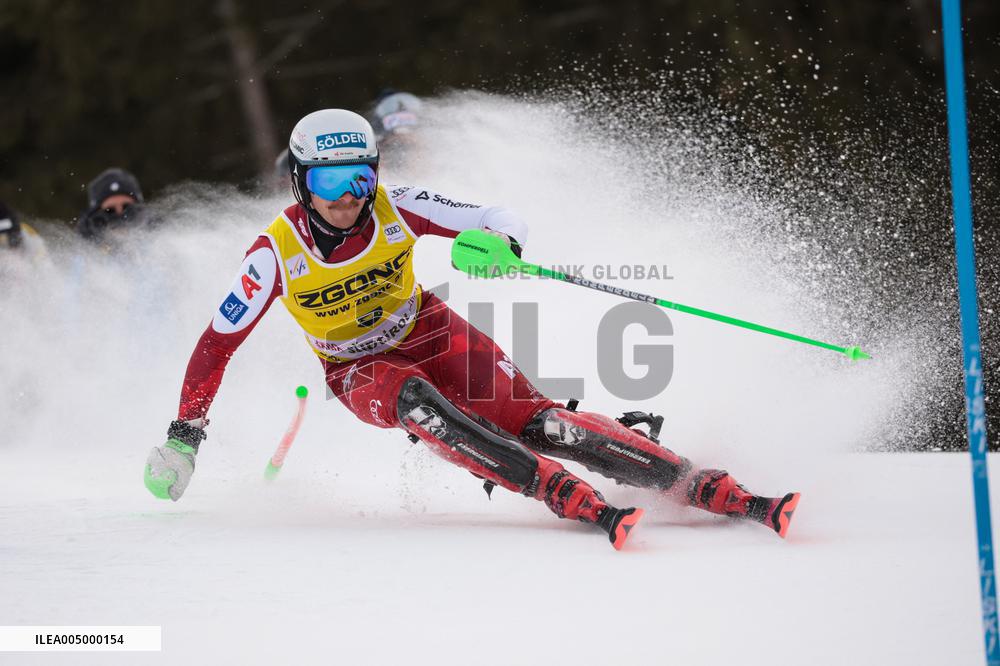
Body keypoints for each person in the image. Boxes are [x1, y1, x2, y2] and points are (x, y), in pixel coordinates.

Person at [144, 109, 800, 549]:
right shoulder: (274, 253)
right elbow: (215, 345)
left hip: (428, 327)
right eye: (332, 180)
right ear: (300, 181)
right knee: (422, 407)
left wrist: (500, 243)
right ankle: (557, 491)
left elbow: (496, 214)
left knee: (543, 422)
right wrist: (184, 434)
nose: (350, 196)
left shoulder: (394, 206)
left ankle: (698, 483)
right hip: (356, 369)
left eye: (361, 176)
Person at [76, 168, 149, 241]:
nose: (120, 217)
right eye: (110, 211)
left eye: (128, 208)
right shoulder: (82, 248)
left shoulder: (158, 243)